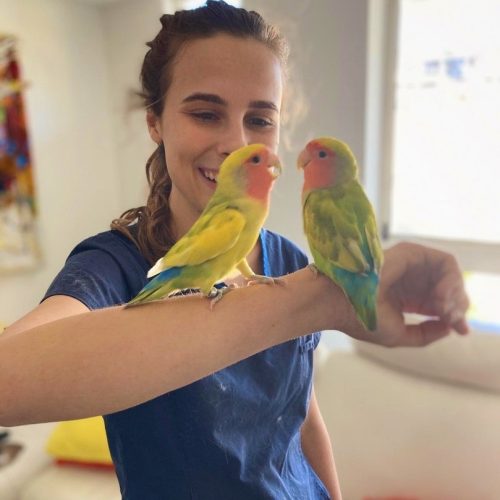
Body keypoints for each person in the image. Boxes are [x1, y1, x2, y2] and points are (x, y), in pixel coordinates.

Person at [0, 2, 469, 499]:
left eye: (260, 120)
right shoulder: (113, 265)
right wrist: (320, 299)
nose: (234, 142)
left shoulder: (290, 261)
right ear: (155, 122)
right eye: (206, 113)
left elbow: (304, 420)